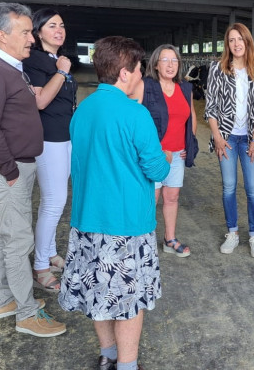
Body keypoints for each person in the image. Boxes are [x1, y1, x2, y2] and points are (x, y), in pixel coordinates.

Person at [58, 36, 171, 370]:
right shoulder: (136, 115)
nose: (141, 75)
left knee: (99, 293)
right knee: (128, 300)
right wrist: (165, 157)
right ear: (125, 72)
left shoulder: (84, 109)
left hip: (87, 219)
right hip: (126, 224)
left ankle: (107, 356)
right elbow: (156, 168)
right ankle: (127, 365)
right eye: (138, 69)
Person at [0, 2, 66, 337]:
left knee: (3, 236)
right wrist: (9, 172)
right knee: (19, 240)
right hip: (6, 170)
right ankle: (26, 314)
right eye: (24, 32)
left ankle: (1, 299)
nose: (31, 39)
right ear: (1, 35)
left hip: (16, 167)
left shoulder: (11, 68)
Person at [22, 8, 77, 292]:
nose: (59, 30)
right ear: (38, 31)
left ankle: (52, 252)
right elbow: (40, 100)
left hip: (65, 136)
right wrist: (61, 72)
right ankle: (40, 265)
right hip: (48, 139)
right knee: (54, 201)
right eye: (52, 25)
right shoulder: (33, 61)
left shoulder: (57, 59)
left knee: (55, 200)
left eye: (62, 25)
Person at [205, 22, 254, 257]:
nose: (236, 44)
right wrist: (218, 138)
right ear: (227, 45)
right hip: (227, 138)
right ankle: (232, 233)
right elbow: (210, 107)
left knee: (253, 189)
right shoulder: (218, 69)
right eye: (231, 40)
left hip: (250, 138)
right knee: (229, 187)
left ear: (247, 41)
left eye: (240, 39)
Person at [133, 44, 199, 257]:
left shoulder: (185, 88)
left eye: (174, 61)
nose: (170, 65)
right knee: (151, 197)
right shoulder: (145, 85)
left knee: (172, 196)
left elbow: (192, 118)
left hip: (178, 154)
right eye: (165, 60)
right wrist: (153, 151)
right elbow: (135, 119)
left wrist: (190, 144)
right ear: (156, 64)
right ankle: (143, 240)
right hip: (155, 155)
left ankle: (169, 239)